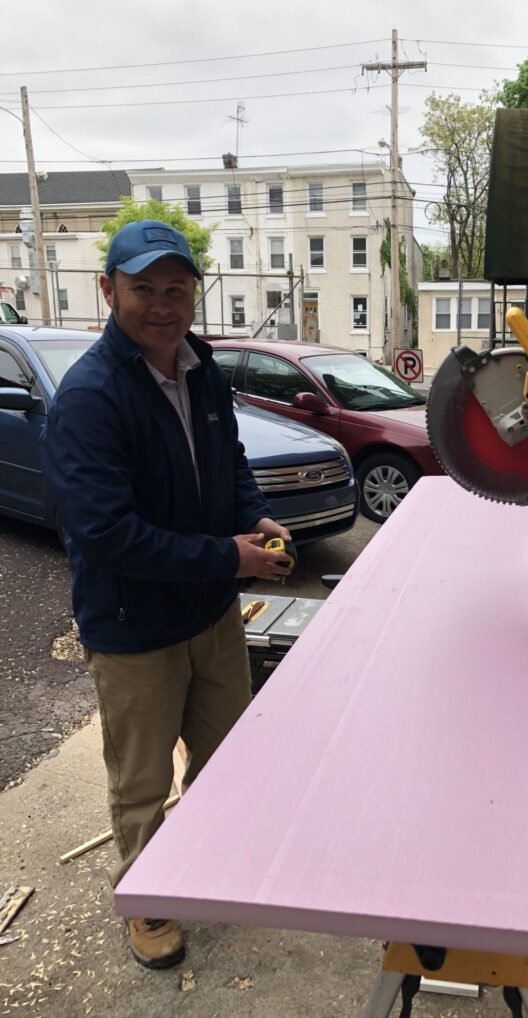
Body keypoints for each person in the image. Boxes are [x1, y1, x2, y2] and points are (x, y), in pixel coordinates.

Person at [42, 220, 293, 970]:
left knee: (225, 756)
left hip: (211, 613)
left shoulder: (202, 371)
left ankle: (208, 864)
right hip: (134, 627)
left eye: (176, 288)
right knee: (142, 779)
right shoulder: (90, 397)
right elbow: (107, 535)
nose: (161, 303)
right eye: (143, 288)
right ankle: (148, 902)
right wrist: (230, 556)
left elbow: (232, 461)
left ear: (194, 294)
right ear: (108, 290)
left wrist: (252, 514)